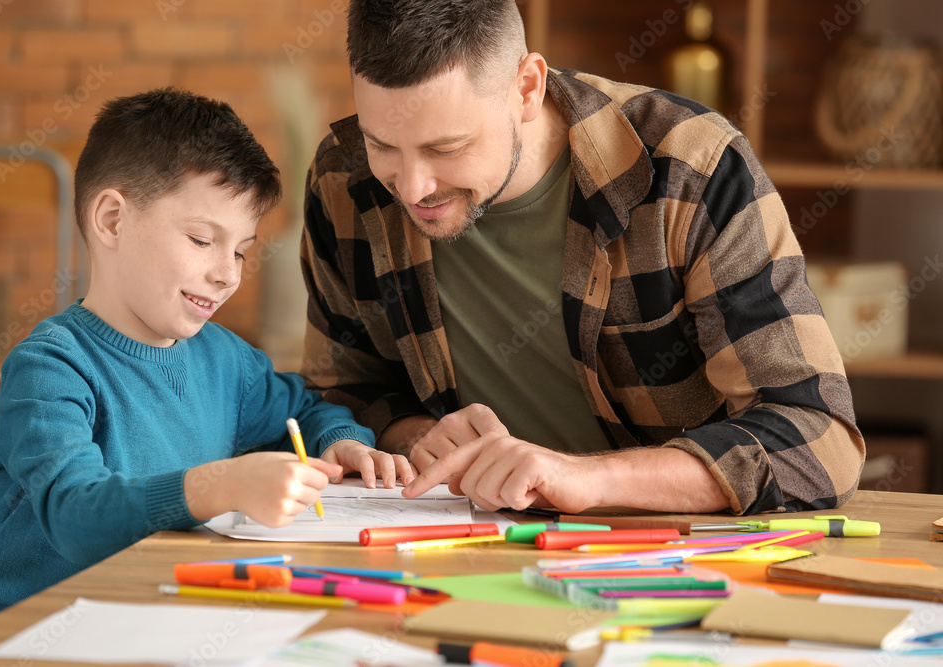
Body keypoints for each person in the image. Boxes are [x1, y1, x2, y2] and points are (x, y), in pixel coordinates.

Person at [299, 0, 864, 517]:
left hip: (666, 562)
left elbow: (820, 438)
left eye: (446, 149)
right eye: (383, 145)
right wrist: (414, 434)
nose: (414, 187)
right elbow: (343, 391)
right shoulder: (342, 179)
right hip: (461, 540)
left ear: (526, 87)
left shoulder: (691, 166)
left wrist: (587, 479)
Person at [0, 88, 411, 632]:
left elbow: (305, 409)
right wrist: (223, 485)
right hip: (3, 635)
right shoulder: (49, 369)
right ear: (113, 220)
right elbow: (74, 516)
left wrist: (341, 442)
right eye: (201, 239)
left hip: (138, 628)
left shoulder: (227, 363)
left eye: (240, 249)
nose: (228, 273)